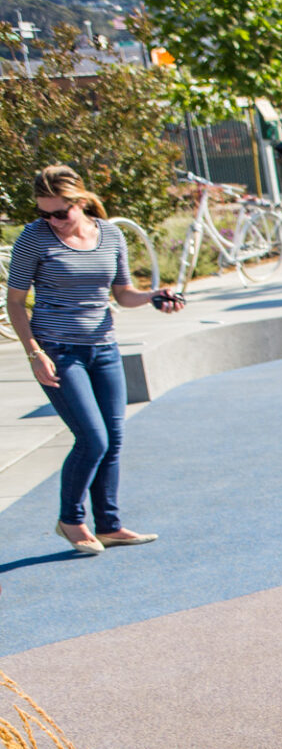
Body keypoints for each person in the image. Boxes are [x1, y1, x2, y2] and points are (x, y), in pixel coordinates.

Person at [7, 165, 183, 557]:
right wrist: (34, 353)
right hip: (57, 351)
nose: (51, 221)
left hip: (103, 348)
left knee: (114, 439)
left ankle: (109, 524)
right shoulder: (33, 239)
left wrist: (155, 295)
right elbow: (15, 303)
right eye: (43, 213)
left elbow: (122, 294)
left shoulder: (110, 235)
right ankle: (71, 519)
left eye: (59, 213)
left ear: (81, 202)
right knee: (92, 438)